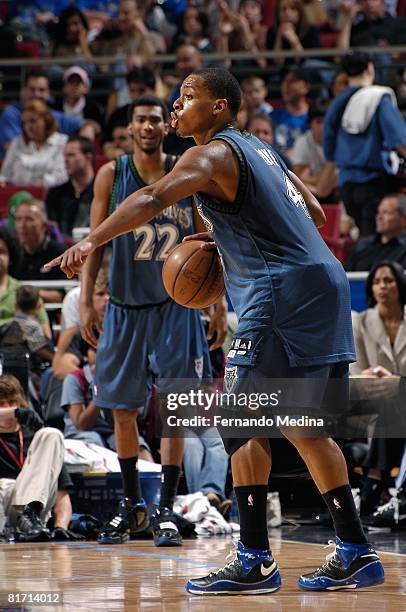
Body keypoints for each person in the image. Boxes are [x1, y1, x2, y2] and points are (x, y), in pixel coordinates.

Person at [46, 67, 384, 594]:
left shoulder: (210, 153)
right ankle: (357, 550)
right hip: (325, 284)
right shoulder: (261, 150)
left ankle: (253, 559)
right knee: (302, 425)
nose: (175, 107)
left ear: (220, 108)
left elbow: (154, 198)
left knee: (240, 420)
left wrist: (92, 242)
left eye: (187, 97)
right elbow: (315, 211)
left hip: (280, 291)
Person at [67, 96, 225, 548]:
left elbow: (207, 238)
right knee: (122, 409)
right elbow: (96, 243)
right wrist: (85, 303)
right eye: (141, 119)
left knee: (176, 409)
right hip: (124, 305)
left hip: (179, 307)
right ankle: (132, 505)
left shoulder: (186, 167)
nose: (149, 125)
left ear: (167, 125)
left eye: (156, 118)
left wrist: (215, 302)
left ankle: (166, 509)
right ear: (130, 128)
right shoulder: (111, 174)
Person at [323, 52, 406, 237]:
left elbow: (328, 150)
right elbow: (400, 140)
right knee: (377, 240)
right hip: (374, 182)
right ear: (370, 68)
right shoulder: (378, 98)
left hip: (346, 187)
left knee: (365, 236)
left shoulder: (336, 104)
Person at [350, 261, 406, 515]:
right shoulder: (360, 322)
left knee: (392, 400)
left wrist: (394, 381)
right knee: (386, 401)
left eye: (389, 280)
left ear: (400, 284)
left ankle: (373, 482)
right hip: (370, 396)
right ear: (371, 288)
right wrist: (373, 378)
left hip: (400, 396)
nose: (383, 286)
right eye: (377, 281)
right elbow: (355, 372)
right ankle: (377, 483)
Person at [0, 374, 74, 542]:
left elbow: (62, 492)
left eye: (12, 403)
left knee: (51, 433)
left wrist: (60, 527)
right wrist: (15, 412)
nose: (8, 409)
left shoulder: (36, 437)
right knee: (4, 484)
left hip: (30, 507)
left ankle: (29, 514)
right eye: (1, 404)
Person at [0, 71, 82, 160]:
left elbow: (84, 123)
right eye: (32, 89)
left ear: (48, 93)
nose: (36, 94)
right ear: (23, 91)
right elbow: (14, 152)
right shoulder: (11, 113)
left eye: (41, 90)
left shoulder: (53, 115)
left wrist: (88, 129)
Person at [0, 100, 68, 189]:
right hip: (17, 195)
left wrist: (41, 184)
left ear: (46, 120)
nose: (28, 126)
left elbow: (63, 175)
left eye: (33, 121)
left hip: (50, 194)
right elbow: (5, 175)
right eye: (24, 123)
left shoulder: (62, 142)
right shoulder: (17, 143)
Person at [13, 199, 66, 304]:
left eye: (29, 219)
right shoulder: (11, 252)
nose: (22, 225)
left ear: (44, 225)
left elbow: (62, 295)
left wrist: (27, 293)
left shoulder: (59, 253)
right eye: (18, 219)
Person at [46, 136, 96, 238]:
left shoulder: (104, 190)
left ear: (88, 157)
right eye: (64, 156)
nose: (66, 160)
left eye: (71, 155)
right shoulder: (55, 194)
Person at [345, 194, 406, 272]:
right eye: (378, 212)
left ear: (403, 219)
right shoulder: (361, 246)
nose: (379, 217)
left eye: (386, 212)